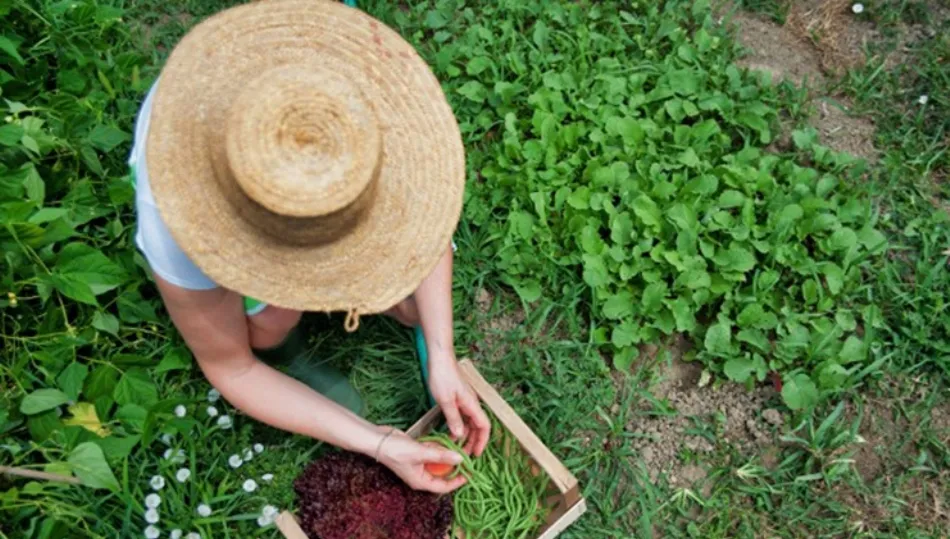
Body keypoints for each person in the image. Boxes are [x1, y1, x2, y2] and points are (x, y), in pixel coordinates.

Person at [127, 0, 490, 494]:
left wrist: (444, 356)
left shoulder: (362, 107)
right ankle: (290, 346)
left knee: (405, 295)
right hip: (219, 214)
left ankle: (378, 303)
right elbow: (231, 366)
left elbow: (423, 229)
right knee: (268, 327)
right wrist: (376, 441)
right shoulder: (176, 221)